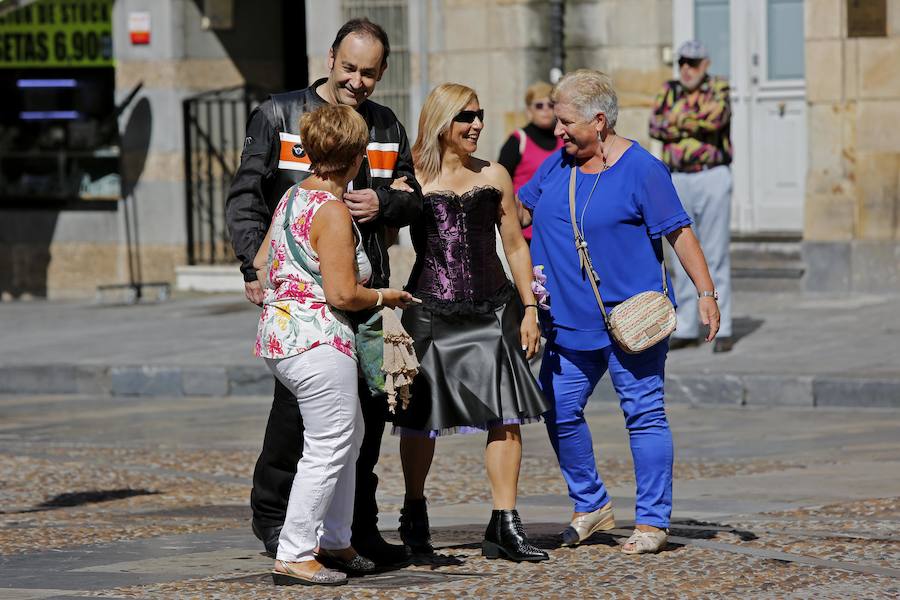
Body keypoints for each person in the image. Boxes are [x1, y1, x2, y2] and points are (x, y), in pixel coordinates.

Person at [225, 18, 422, 568]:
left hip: (362, 286)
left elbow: (414, 198)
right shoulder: (278, 113)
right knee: (298, 420)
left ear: (382, 73)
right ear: (330, 58)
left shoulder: (385, 125)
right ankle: (275, 522)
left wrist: (385, 205)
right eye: (349, 68)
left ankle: (354, 529)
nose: (358, 81)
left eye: (369, 73)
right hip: (308, 297)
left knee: (365, 419)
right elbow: (247, 196)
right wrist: (251, 267)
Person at [517, 69, 720, 554]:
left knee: (644, 415)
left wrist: (706, 293)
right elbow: (519, 213)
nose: (558, 131)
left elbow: (679, 231)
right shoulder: (557, 164)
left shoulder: (643, 169)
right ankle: (591, 505)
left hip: (632, 320)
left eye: (567, 122)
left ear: (600, 121)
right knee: (558, 409)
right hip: (566, 321)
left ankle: (652, 522)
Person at [254, 105, 415, 586]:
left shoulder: (291, 198)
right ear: (356, 154)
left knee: (353, 433)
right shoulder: (332, 211)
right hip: (318, 340)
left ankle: (336, 539)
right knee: (327, 445)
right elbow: (343, 293)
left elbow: (262, 259)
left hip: (282, 335)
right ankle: (296, 550)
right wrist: (387, 295)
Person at [392, 83, 552, 563]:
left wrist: (529, 309)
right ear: (442, 122)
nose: (477, 125)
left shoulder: (496, 175)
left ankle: (505, 523)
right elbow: (376, 240)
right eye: (466, 117)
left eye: (479, 115)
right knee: (420, 419)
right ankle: (414, 515)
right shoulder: (411, 179)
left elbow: (516, 245)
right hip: (430, 310)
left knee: (506, 416)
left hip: (494, 307)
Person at [649, 40, 734, 353]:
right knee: (679, 251)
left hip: (712, 174)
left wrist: (678, 121)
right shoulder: (668, 90)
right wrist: (691, 120)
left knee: (715, 251)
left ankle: (722, 324)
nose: (686, 69)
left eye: (693, 63)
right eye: (682, 62)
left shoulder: (719, 88)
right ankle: (685, 323)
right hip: (678, 176)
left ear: (705, 65)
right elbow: (656, 125)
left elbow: (716, 119)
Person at [497, 81, 564, 241]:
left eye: (550, 104)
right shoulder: (518, 141)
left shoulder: (565, 139)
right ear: (529, 111)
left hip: (558, 230)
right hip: (525, 233)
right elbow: (499, 183)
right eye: (539, 105)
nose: (546, 109)